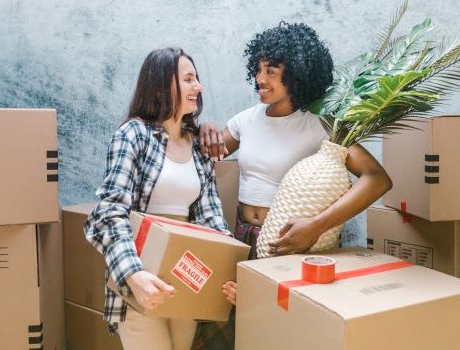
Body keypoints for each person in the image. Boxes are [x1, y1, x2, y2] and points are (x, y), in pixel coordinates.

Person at [193, 22, 393, 349]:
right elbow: (203, 158)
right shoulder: (247, 120)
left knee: (276, 333)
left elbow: (377, 179)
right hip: (242, 237)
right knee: (224, 333)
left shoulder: (319, 126)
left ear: (299, 74)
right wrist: (206, 129)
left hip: (289, 244)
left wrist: (316, 226)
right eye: (258, 70)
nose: (260, 79)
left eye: (271, 71)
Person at [84, 47, 229, 350]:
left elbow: (211, 218)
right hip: (140, 278)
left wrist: (227, 273)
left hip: (186, 279)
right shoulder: (133, 135)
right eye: (188, 79)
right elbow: (109, 213)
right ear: (163, 85)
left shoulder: (198, 146)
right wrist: (134, 276)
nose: (198, 87)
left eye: (197, 79)